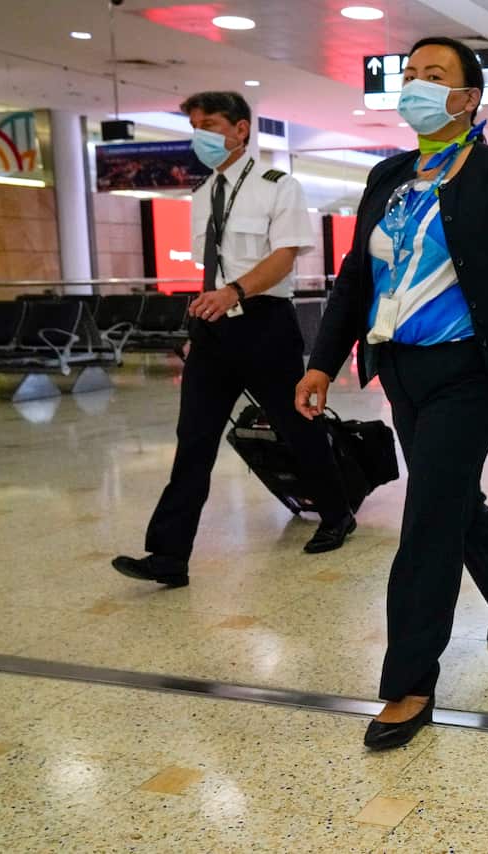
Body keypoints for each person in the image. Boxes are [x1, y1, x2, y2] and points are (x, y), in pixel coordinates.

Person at [294, 37, 488, 750]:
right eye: (410, 75)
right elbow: (356, 280)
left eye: (434, 76)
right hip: (399, 368)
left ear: (467, 97)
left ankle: (408, 683)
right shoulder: (387, 176)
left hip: (470, 371)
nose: (417, 85)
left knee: (427, 519)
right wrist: (322, 361)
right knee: (450, 495)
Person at [112, 91, 355, 590]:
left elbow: (286, 256)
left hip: (264, 323)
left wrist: (235, 291)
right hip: (213, 328)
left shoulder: (277, 186)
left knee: (296, 426)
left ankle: (337, 514)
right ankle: (168, 556)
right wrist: (211, 304)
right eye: (195, 124)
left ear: (241, 129)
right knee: (193, 441)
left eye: (211, 123)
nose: (201, 132)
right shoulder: (202, 193)